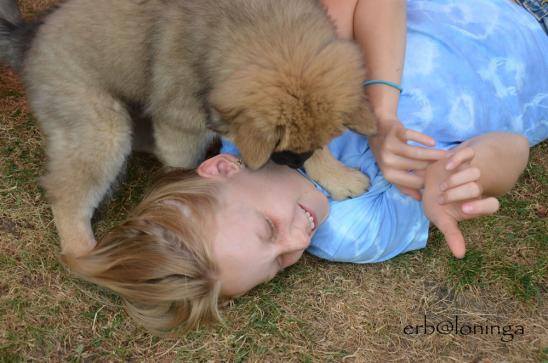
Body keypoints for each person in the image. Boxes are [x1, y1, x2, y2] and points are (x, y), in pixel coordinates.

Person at [63, 0, 547, 333]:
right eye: (277, 266)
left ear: (223, 170)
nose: (298, 242)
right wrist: (455, 177)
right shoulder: (354, 231)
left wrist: (381, 113)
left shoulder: (253, 113)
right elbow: (514, 147)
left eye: (268, 230)